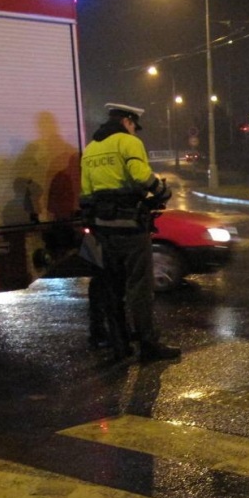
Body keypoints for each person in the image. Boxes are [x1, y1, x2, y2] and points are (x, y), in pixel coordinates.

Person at [80, 103, 180, 363]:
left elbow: (86, 192)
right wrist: (161, 191)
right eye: (134, 126)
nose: (135, 131)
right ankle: (148, 346)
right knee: (140, 288)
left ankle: (119, 346)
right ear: (127, 121)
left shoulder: (91, 149)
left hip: (103, 231)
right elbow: (140, 175)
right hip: (131, 229)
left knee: (112, 289)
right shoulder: (128, 142)